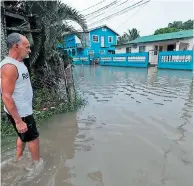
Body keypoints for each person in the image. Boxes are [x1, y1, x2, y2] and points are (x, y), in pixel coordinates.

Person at [0, 33, 40, 162]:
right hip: (21, 112)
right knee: (33, 138)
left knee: (22, 136)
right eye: (27, 47)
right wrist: (18, 121)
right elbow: (6, 96)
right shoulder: (9, 67)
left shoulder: (19, 63)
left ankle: (18, 159)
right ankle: (37, 163)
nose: (29, 50)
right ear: (17, 46)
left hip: (23, 110)